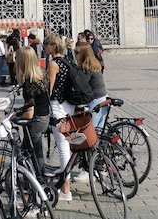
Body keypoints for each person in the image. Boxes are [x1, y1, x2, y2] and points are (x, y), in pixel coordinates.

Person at [44, 32, 76, 202]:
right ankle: (65, 178)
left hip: (58, 107)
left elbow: (49, 88)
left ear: (53, 47)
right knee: (68, 145)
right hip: (69, 105)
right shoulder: (67, 61)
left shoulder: (53, 64)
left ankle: (65, 190)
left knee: (63, 147)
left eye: (47, 44)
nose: (44, 47)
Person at [15, 46, 50, 175]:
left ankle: (39, 181)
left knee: (36, 156)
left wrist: (16, 118)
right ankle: (27, 180)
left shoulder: (30, 82)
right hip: (45, 116)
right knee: (27, 150)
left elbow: (29, 112)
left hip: (35, 121)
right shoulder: (41, 72)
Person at [77, 40, 108, 129]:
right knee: (99, 131)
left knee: (90, 131)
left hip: (96, 100)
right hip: (104, 98)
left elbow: (82, 85)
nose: (75, 54)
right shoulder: (94, 63)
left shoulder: (87, 67)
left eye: (77, 52)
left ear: (84, 54)